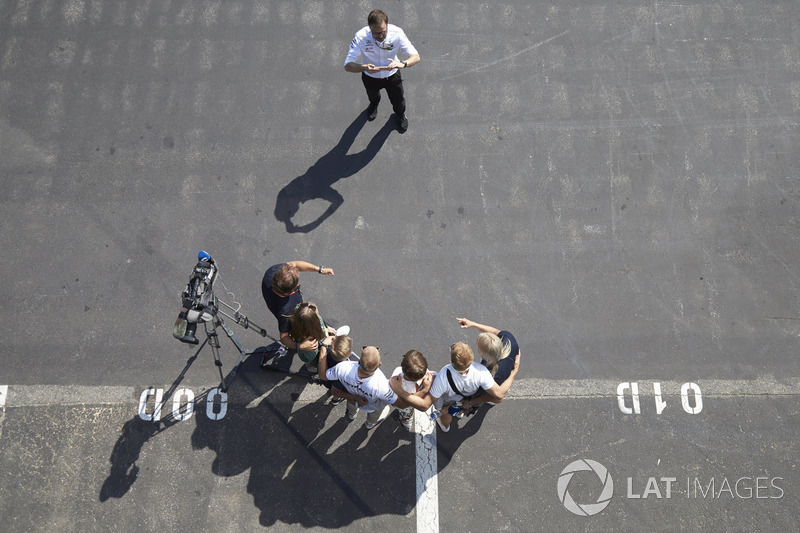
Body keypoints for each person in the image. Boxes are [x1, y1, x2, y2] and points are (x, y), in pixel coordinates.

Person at [390, 342, 520, 433]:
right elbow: (499, 396)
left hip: (449, 401)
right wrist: (513, 373)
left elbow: (424, 405)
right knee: (459, 410)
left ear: (452, 362)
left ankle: (445, 426)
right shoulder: (481, 371)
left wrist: (399, 389)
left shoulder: (442, 377)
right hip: (467, 400)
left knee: (445, 413)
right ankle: (460, 413)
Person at [344, 9, 421, 133]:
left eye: (383, 32)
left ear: (387, 25)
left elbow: (416, 57)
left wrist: (402, 64)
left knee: (398, 101)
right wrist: (364, 67)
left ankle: (400, 115)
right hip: (370, 76)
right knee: (373, 96)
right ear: (370, 28)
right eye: (376, 33)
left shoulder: (397, 33)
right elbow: (348, 65)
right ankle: (373, 105)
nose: (380, 36)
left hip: (392, 76)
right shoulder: (361, 37)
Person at [320, 346, 432, 430]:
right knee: (374, 415)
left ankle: (351, 414)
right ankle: (369, 424)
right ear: (380, 364)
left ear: (359, 361)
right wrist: (423, 390)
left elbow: (323, 376)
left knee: (352, 407)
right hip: (373, 407)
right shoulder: (383, 385)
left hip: (352, 401)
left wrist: (323, 349)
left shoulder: (342, 367)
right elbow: (402, 404)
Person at [260, 261, 333, 366]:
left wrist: (319, 269)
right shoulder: (285, 313)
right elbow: (284, 337)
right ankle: (310, 364)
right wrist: (301, 346)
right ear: (291, 291)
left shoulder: (273, 272)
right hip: (296, 323)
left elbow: (295, 264)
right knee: (302, 331)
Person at [456, 317, 520, 404]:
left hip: (495, 389)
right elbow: (495, 332)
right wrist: (472, 324)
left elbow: (498, 397)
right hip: (506, 373)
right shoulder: (508, 340)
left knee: (487, 396)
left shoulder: (486, 373)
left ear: (484, 354)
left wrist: (471, 402)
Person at [288, 302, 337, 376]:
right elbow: (308, 359)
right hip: (316, 359)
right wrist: (325, 344)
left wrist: (326, 328)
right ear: (314, 324)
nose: (319, 316)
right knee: (313, 365)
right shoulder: (310, 344)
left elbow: (321, 323)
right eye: (317, 316)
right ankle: (310, 368)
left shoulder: (300, 319)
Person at [390, 350, 436, 430]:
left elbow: (400, 403)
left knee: (406, 416)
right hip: (420, 400)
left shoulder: (397, 379)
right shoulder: (429, 376)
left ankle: (407, 425)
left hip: (406, 407)